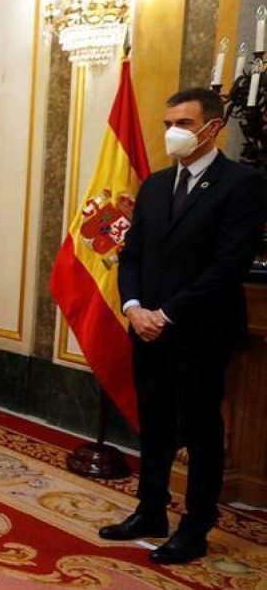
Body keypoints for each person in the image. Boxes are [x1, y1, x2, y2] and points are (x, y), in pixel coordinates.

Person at [101, 87, 266, 565]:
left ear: (213, 128)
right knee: (153, 423)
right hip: (146, 327)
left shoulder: (241, 184)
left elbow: (228, 265)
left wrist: (167, 314)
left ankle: (196, 525)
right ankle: (150, 509)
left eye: (184, 124)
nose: (172, 132)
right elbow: (130, 256)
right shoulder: (153, 185)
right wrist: (133, 307)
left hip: (199, 331)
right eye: (168, 123)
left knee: (199, 429)